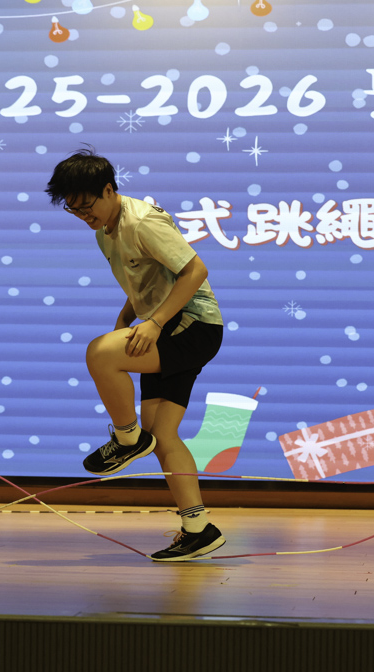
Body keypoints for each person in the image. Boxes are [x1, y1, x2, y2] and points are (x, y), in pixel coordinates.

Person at [45, 148, 226, 561]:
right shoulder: (104, 231)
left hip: (192, 326)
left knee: (100, 354)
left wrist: (155, 323)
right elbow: (143, 283)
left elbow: (195, 271)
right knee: (164, 435)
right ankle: (198, 529)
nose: (83, 216)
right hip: (167, 325)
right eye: (73, 209)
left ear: (109, 190)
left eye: (87, 206)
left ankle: (127, 439)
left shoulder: (142, 221)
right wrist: (126, 320)